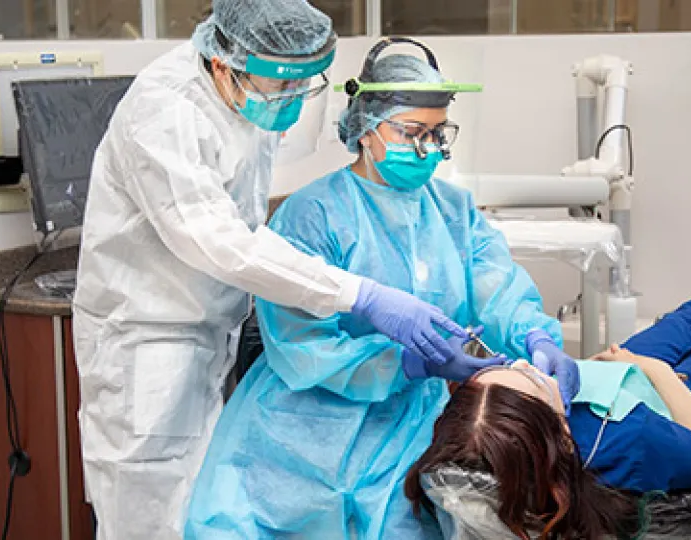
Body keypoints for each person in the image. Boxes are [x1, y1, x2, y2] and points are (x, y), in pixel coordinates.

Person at [71, 3, 470, 539]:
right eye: (278, 88)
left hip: (213, 328)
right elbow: (220, 241)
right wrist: (362, 295)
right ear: (222, 65)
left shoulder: (247, 98)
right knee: (146, 513)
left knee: (197, 508)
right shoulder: (165, 112)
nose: (290, 103)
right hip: (146, 338)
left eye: (303, 86)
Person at [184, 37, 569, 539]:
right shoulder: (315, 215)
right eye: (412, 132)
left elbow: (500, 289)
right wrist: (403, 361)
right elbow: (301, 345)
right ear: (365, 129)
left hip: (418, 416)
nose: (428, 148)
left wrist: (537, 337)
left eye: (438, 133)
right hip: (311, 419)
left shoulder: (453, 211)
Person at [405, 230, 691, 539]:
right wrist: (659, 374)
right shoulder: (631, 444)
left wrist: (607, 368)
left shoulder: (486, 443)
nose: (529, 366)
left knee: (680, 323)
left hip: (617, 381)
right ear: (561, 433)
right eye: (532, 378)